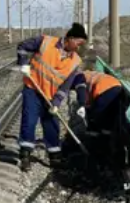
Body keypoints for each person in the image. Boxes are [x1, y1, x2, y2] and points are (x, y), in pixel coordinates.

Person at [15, 22, 88, 171]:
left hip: (50, 95)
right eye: (78, 43)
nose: (79, 48)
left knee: (52, 124)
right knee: (29, 121)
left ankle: (55, 157)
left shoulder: (75, 61)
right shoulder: (45, 42)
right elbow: (22, 46)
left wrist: (56, 102)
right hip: (33, 89)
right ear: (71, 38)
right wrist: (23, 64)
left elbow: (66, 86)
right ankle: (25, 156)